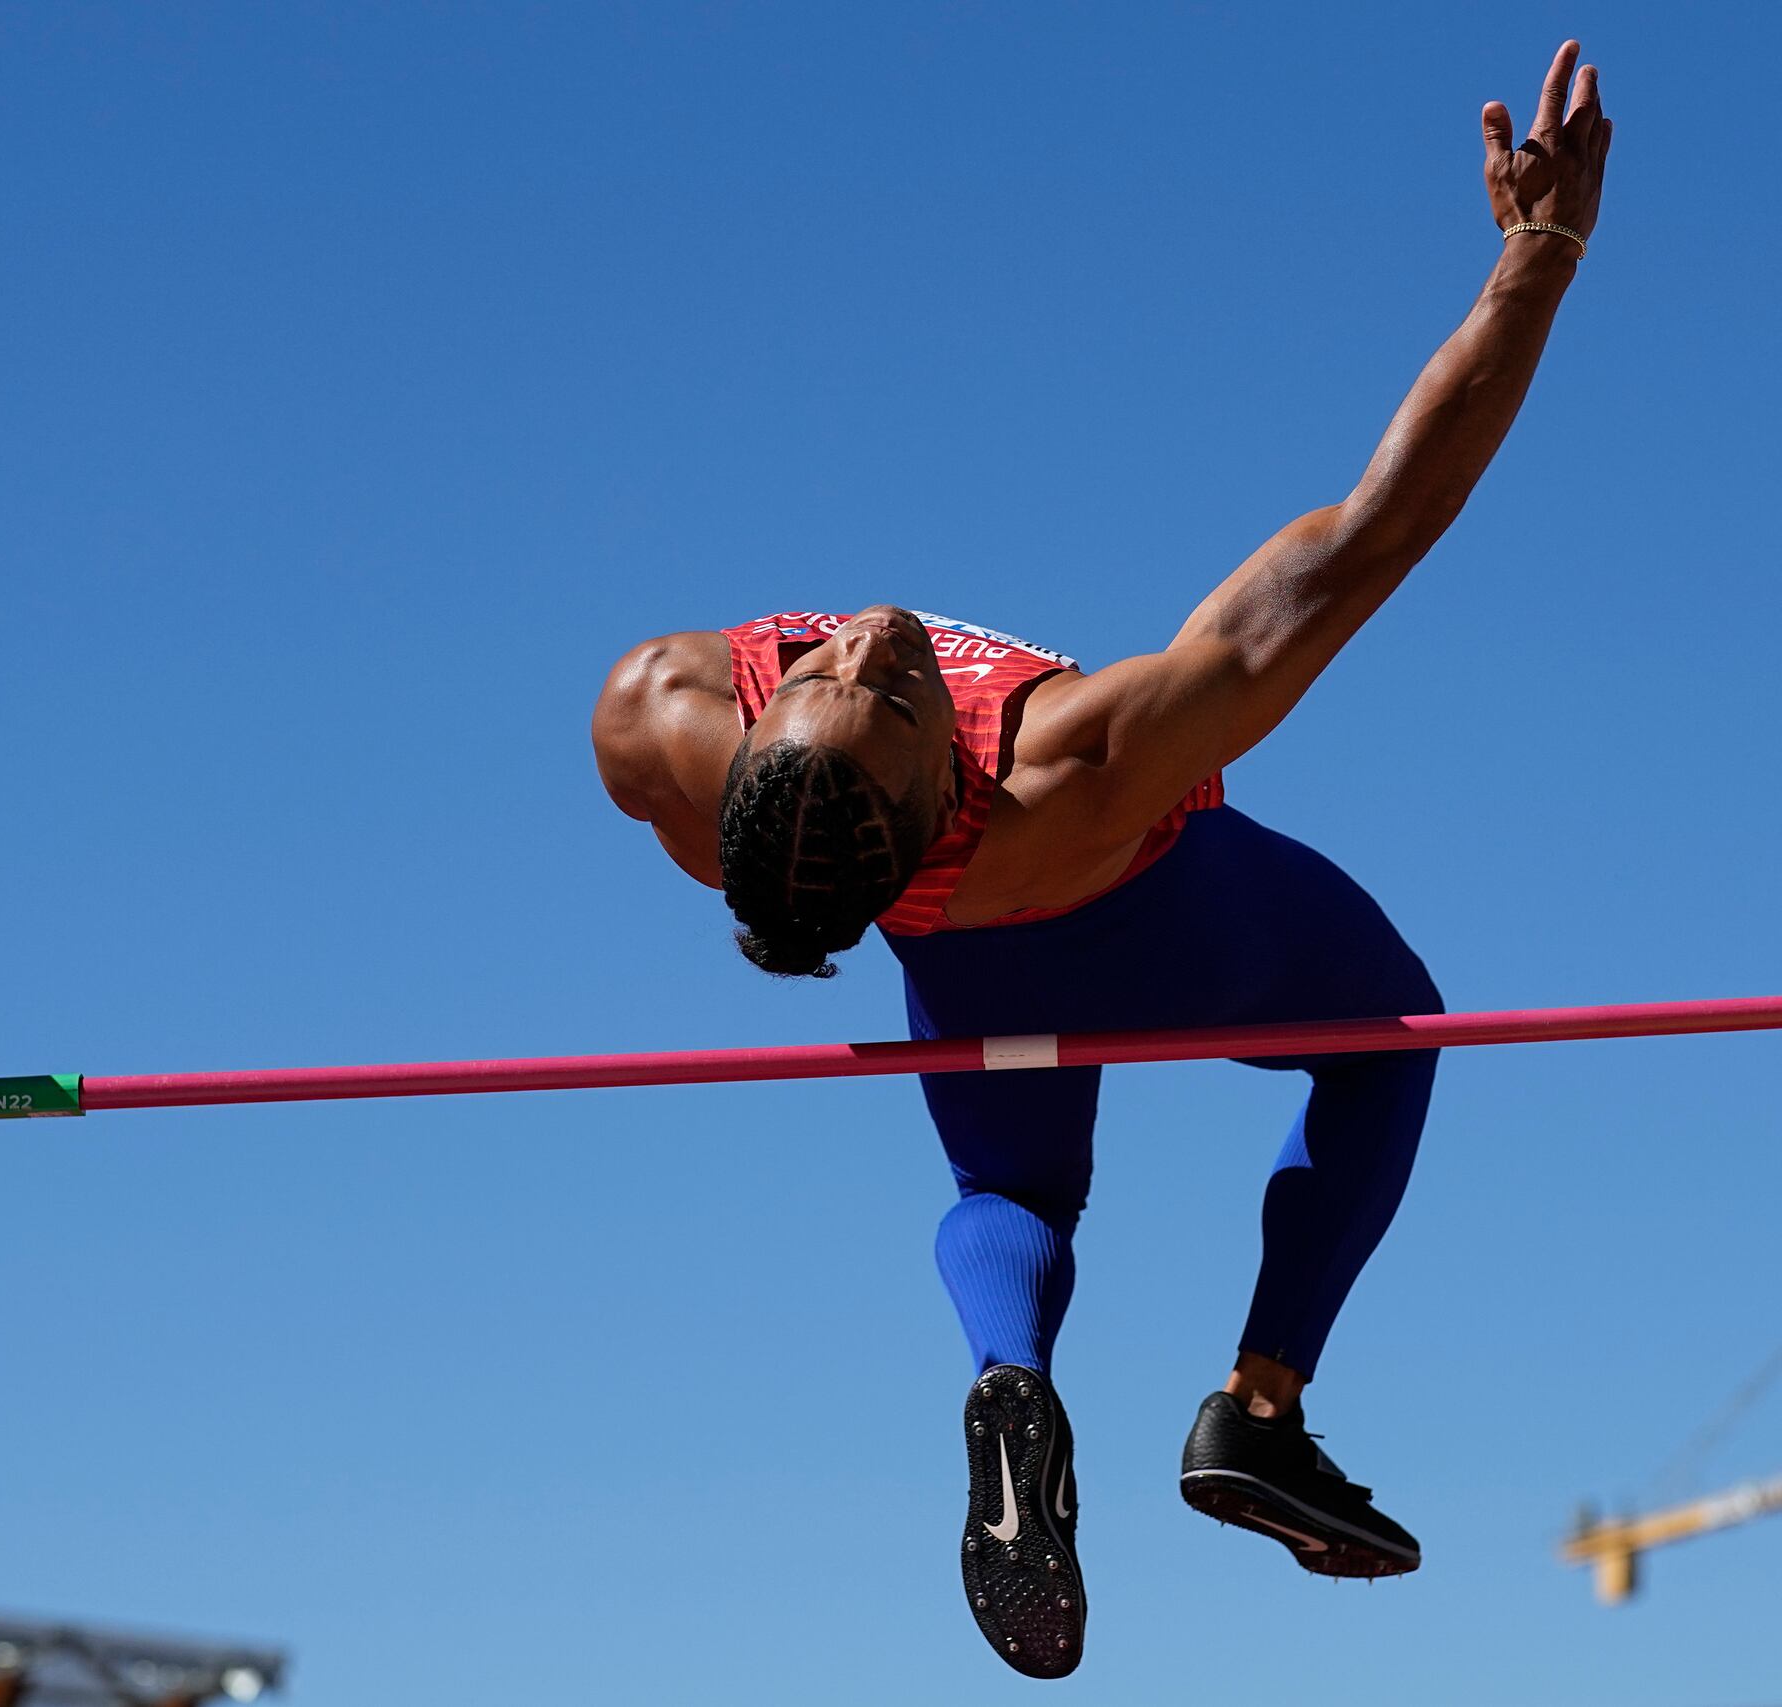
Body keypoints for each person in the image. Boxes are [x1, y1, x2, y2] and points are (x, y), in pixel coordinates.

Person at [587, 41, 1611, 1679]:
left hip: (953, 959)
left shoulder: (670, 729)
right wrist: (1536, 262)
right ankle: (1259, 1412)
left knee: (1007, 1185)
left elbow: (748, 871)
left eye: (836, 678)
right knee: (1389, 1039)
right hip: (1174, 911)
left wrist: (808, 875)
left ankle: (1010, 1376)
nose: (872, 648)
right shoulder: (1083, 759)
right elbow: (1369, 535)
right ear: (946, 783)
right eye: (893, 698)